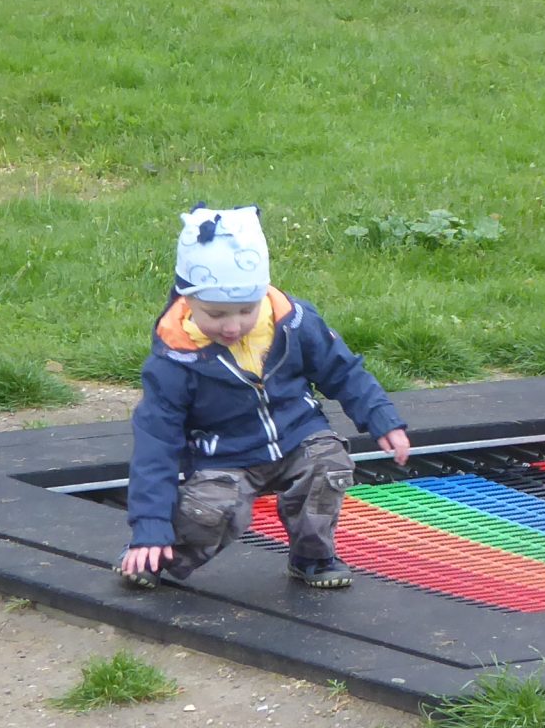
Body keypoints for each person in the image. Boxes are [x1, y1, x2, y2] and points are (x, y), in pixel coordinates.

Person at [120, 206, 408, 591]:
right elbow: (155, 445)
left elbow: (343, 370)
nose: (233, 326)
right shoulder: (175, 359)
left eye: (246, 310)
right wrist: (149, 528)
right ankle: (156, 555)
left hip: (295, 435)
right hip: (225, 456)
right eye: (216, 314)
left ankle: (312, 555)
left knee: (327, 463)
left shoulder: (293, 323)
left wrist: (381, 418)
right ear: (187, 300)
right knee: (214, 508)